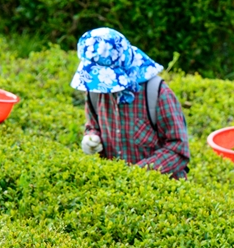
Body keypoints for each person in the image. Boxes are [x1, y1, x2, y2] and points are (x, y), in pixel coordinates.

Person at [73, 27, 190, 179]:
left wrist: (136, 174)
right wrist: (92, 138)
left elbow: (178, 149)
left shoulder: (158, 93)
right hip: (115, 187)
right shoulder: (95, 89)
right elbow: (93, 126)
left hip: (160, 187)